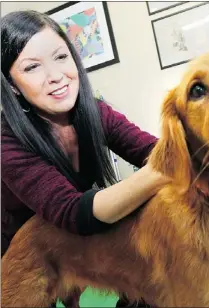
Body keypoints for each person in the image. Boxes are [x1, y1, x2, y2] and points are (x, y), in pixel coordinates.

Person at [1, 10, 169, 307]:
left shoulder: (94, 111)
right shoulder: (7, 140)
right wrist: (172, 166)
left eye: (61, 57)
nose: (55, 76)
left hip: (73, 238)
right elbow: (73, 212)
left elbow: (152, 151)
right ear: (12, 86)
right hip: (22, 251)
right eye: (32, 68)